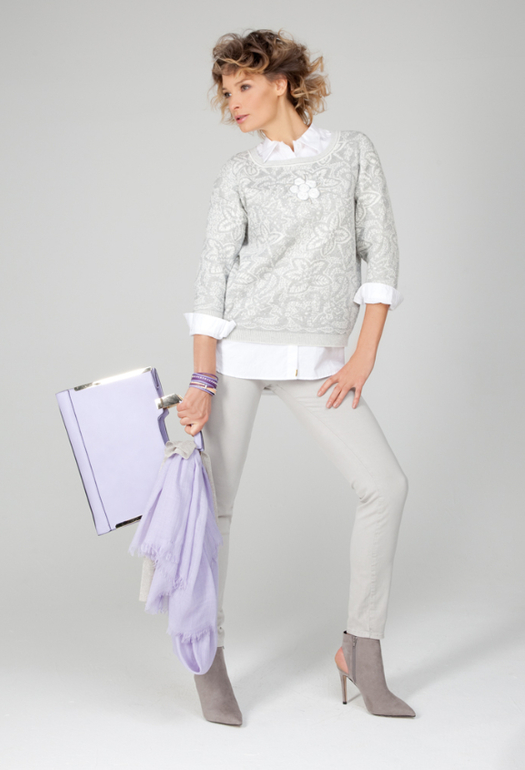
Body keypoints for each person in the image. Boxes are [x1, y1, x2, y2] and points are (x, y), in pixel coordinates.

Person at [176, 28, 415, 726]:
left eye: (244, 86)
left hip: (319, 361)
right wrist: (202, 379)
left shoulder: (353, 154)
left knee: (384, 487)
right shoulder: (238, 175)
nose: (233, 102)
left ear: (281, 82)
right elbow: (213, 276)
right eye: (226, 92)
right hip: (238, 356)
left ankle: (360, 650)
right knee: (213, 509)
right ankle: (206, 656)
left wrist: (364, 354)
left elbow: (379, 256)